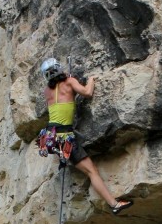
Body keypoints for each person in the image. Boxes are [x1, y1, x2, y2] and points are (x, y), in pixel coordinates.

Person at [40, 57, 133, 215]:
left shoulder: (47, 91)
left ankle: (65, 156)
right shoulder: (69, 82)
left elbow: (61, 101)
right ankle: (114, 204)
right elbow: (87, 93)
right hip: (64, 136)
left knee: (82, 163)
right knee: (92, 171)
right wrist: (90, 79)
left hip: (50, 137)